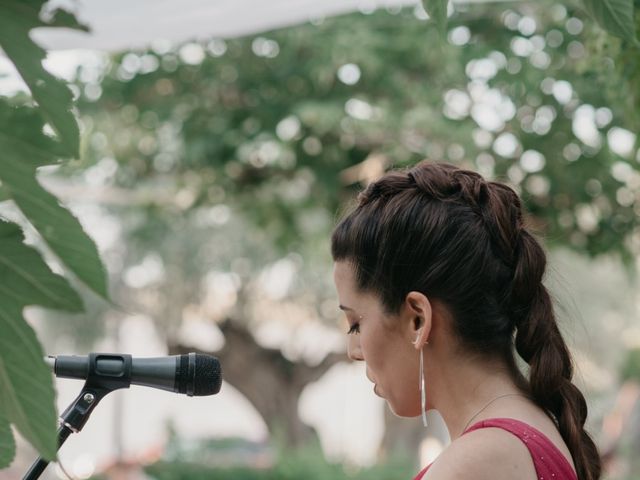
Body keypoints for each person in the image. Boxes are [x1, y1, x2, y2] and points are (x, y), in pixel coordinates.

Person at [331, 161, 601, 480]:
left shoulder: (481, 461)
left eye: (356, 324)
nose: (354, 350)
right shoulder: (522, 431)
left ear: (417, 319)